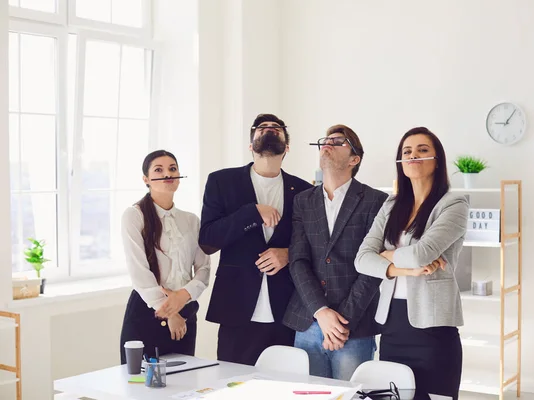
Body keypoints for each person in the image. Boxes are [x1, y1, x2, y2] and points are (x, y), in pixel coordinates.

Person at [355, 127, 468, 400]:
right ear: (400, 162)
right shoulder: (392, 205)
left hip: (434, 328)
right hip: (393, 325)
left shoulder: (453, 203)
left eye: (422, 150)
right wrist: (403, 268)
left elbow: (422, 253)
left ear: (437, 160)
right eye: (407, 151)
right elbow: (361, 259)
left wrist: (386, 255)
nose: (413, 155)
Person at [199, 113, 312, 366]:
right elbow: (207, 240)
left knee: (284, 389)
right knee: (234, 386)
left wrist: (289, 254)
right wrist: (251, 213)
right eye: (261, 128)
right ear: (251, 145)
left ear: (287, 146)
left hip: (288, 310)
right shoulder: (221, 181)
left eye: (276, 128)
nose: (269, 129)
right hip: (236, 307)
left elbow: (316, 245)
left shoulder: (305, 190)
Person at [282, 124, 388, 380]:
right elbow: (298, 260)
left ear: (355, 159)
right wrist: (321, 312)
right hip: (308, 320)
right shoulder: (303, 201)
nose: (328, 143)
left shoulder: (377, 201)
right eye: (326, 140)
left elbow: (374, 266)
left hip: (354, 325)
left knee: (350, 396)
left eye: (338, 141)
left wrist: (340, 323)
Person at [119, 150, 211, 364]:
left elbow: (204, 268)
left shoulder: (191, 220)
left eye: (172, 168)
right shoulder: (134, 216)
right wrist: (170, 312)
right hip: (147, 312)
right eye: (158, 170)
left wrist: (183, 296)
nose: (167, 174)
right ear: (146, 179)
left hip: (186, 311)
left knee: (184, 386)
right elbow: (139, 272)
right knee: (142, 388)